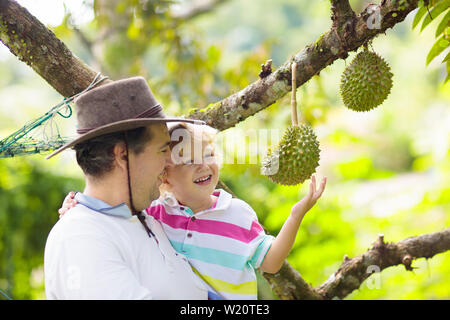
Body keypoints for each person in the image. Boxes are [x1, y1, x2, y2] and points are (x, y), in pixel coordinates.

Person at [60, 121, 327, 300]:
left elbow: (271, 262)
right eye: (189, 160)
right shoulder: (157, 213)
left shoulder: (237, 213)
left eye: (209, 155)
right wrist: (77, 206)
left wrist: (295, 217)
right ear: (164, 177)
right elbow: (116, 211)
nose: (203, 166)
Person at [44, 76, 208, 299]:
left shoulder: (145, 217)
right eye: (162, 150)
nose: (171, 161)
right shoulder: (81, 237)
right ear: (122, 155)